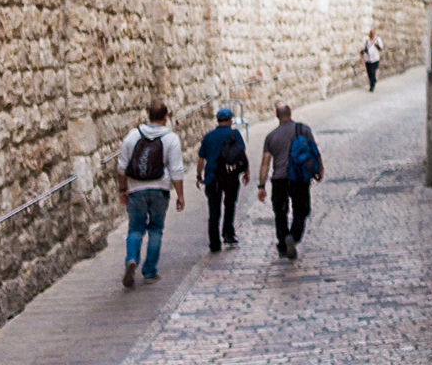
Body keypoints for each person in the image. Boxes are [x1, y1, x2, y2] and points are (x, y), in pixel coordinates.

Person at [118, 102, 186, 287]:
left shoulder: (133, 135)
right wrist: (180, 195)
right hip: (159, 189)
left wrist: (122, 189)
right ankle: (149, 271)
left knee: (135, 229)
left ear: (148, 115)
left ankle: (131, 258)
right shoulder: (170, 138)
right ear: (166, 117)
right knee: (155, 229)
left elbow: (121, 166)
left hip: (136, 189)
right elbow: (176, 169)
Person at [257, 103, 323, 259]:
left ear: (277, 116)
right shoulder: (303, 130)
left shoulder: (271, 136)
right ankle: (293, 236)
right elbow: (314, 151)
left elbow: (265, 163)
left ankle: (282, 244)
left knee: (280, 212)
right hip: (299, 177)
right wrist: (319, 169)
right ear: (290, 113)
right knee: (301, 210)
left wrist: (261, 186)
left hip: (279, 179)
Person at [196, 108, 249, 252]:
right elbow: (241, 154)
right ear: (230, 119)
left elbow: (201, 158)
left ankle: (214, 242)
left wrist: (198, 175)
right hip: (230, 176)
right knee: (230, 205)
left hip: (212, 177)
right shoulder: (234, 134)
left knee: (214, 210)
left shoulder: (208, 136)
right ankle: (228, 233)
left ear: (217, 120)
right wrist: (246, 172)